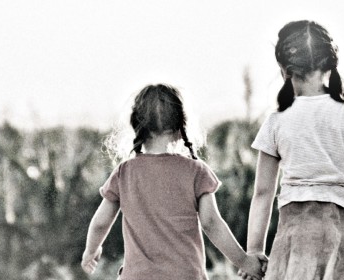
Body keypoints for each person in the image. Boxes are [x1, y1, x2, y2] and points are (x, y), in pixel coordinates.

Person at [243, 20, 344, 280]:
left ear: (284, 69)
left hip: (298, 230)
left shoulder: (276, 121)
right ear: (328, 64)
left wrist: (254, 250)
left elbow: (263, 193)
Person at [80, 84, 266, 279]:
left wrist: (91, 251)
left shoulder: (124, 173)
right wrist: (244, 261)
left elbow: (100, 223)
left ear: (138, 126)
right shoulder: (196, 171)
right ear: (180, 125)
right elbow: (211, 222)